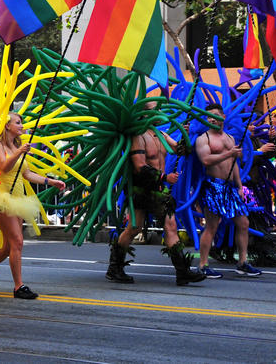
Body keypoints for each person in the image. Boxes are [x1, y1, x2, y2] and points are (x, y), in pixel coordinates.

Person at [0, 112, 66, 299]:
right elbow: (4, 167)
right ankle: (18, 287)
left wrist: (50, 181)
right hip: (0, 198)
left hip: (18, 199)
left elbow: (27, 174)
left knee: (9, 247)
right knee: (18, 242)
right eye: (18, 122)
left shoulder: (14, 146)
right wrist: (20, 152)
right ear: (6, 126)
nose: (22, 126)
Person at [105, 112, 205, 286]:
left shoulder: (160, 134)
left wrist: (186, 136)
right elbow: (140, 167)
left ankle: (182, 272)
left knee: (171, 226)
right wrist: (165, 177)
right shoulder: (138, 137)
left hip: (159, 190)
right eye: (153, 109)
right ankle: (115, 267)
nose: (158, 112)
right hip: (141, 190)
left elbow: (181, 150)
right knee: (134, 228)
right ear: (144, 114)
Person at [196, 103, 261, 277]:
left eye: (215, 115)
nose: (211, 119)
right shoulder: (204, 139)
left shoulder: (230, 138)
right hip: (213, 186)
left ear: (223, 117)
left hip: (231, 188)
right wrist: (230, 153)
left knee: (243, 223)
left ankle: (242, 262)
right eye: (208, 116)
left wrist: (239, 186)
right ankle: (202, 265)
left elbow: (235, 165)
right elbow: (206, 160)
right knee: (212, 226)